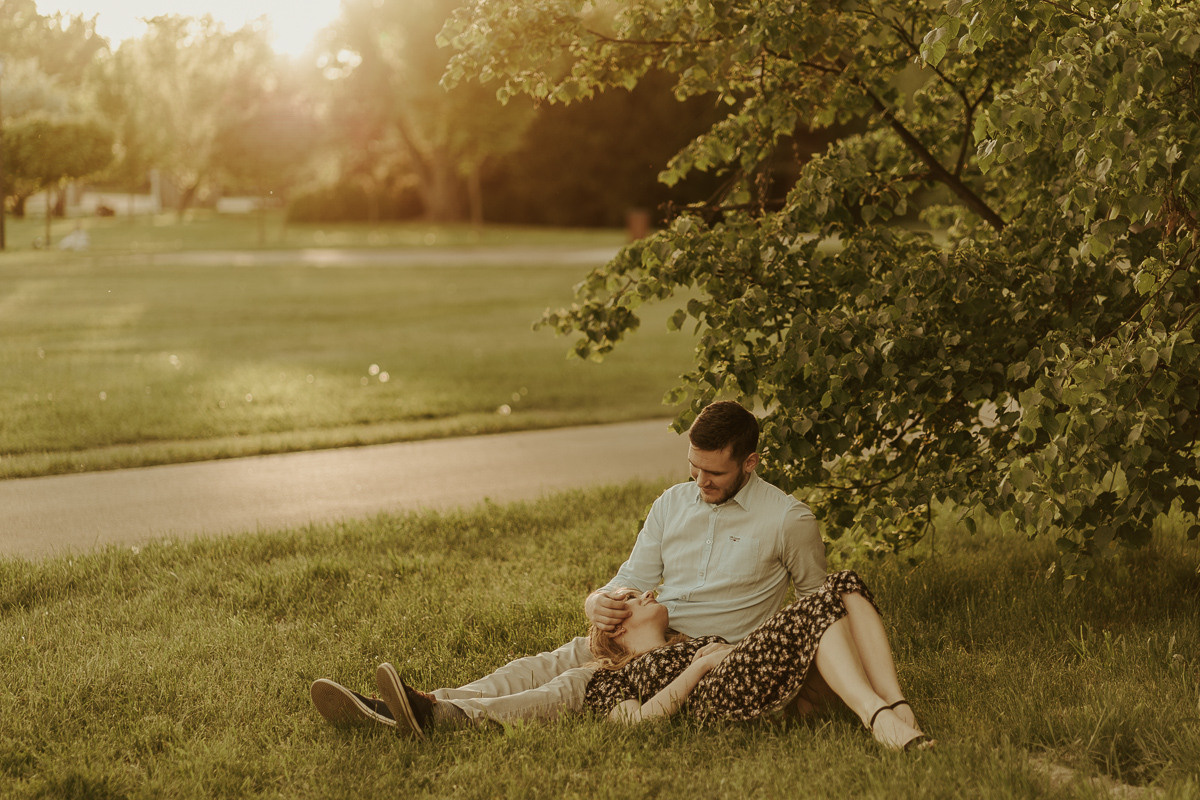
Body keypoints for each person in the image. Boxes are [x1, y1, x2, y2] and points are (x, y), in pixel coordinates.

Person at [312, 401, 828, 734]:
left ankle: (436, 716)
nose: (700, 483)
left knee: (569, 686)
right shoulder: (673, 502)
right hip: (641, 631)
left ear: (750, 463)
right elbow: (630, 578)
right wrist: (597, 602)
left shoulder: (788, 520)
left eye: (713, 474)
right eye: (693, 468)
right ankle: (407, 707)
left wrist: (803, 693)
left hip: (693, 653)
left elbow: (818, 612)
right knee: (534, 667)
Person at [584, 573, 932, 750]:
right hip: (719, 695)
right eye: (632, 598)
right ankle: (876, 715)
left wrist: (728, 650)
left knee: (843, 584)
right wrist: (699, 667)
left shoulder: (690, 641)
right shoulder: (611, 677)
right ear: (615, 627)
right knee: (814, 608)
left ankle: (896, 704)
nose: (648, 593)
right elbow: (633, 724)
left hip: (750, 673)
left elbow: (752, 655)